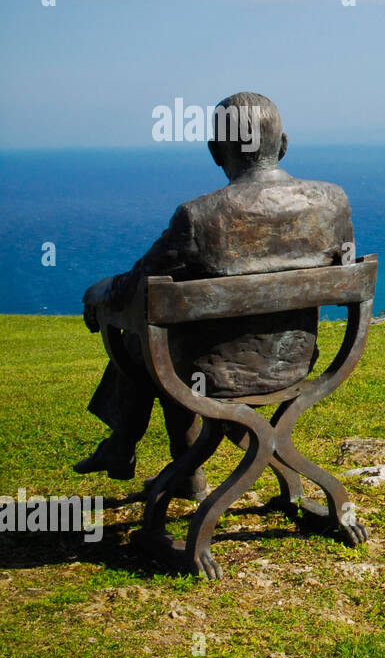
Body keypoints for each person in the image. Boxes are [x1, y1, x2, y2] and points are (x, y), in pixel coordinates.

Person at [78, 93, 354, 498]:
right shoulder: (332, 202)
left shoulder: (198, 216)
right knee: (168, 341)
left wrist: (96, 295)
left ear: (214, 151)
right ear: (283, 144)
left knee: (152, 345)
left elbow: (138, 284)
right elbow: (344, 267)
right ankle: (153, 460)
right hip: (293, 362)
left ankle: (135, 449)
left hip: (208, 374)